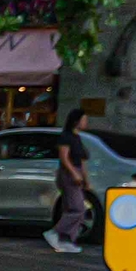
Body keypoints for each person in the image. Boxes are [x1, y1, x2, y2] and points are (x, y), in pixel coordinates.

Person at [45, 109, 91, 254]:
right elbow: (64, 158)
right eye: (84, 119)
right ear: (76, 121)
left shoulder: (78, 138)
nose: (86, 122)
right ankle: (55, 232)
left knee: (74, 208)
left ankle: (67, 240)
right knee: (77, 208)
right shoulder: (66, 137)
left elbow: (82, 162)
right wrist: (74, 174)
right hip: (68, 174)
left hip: (76, 173)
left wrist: (85, 179)